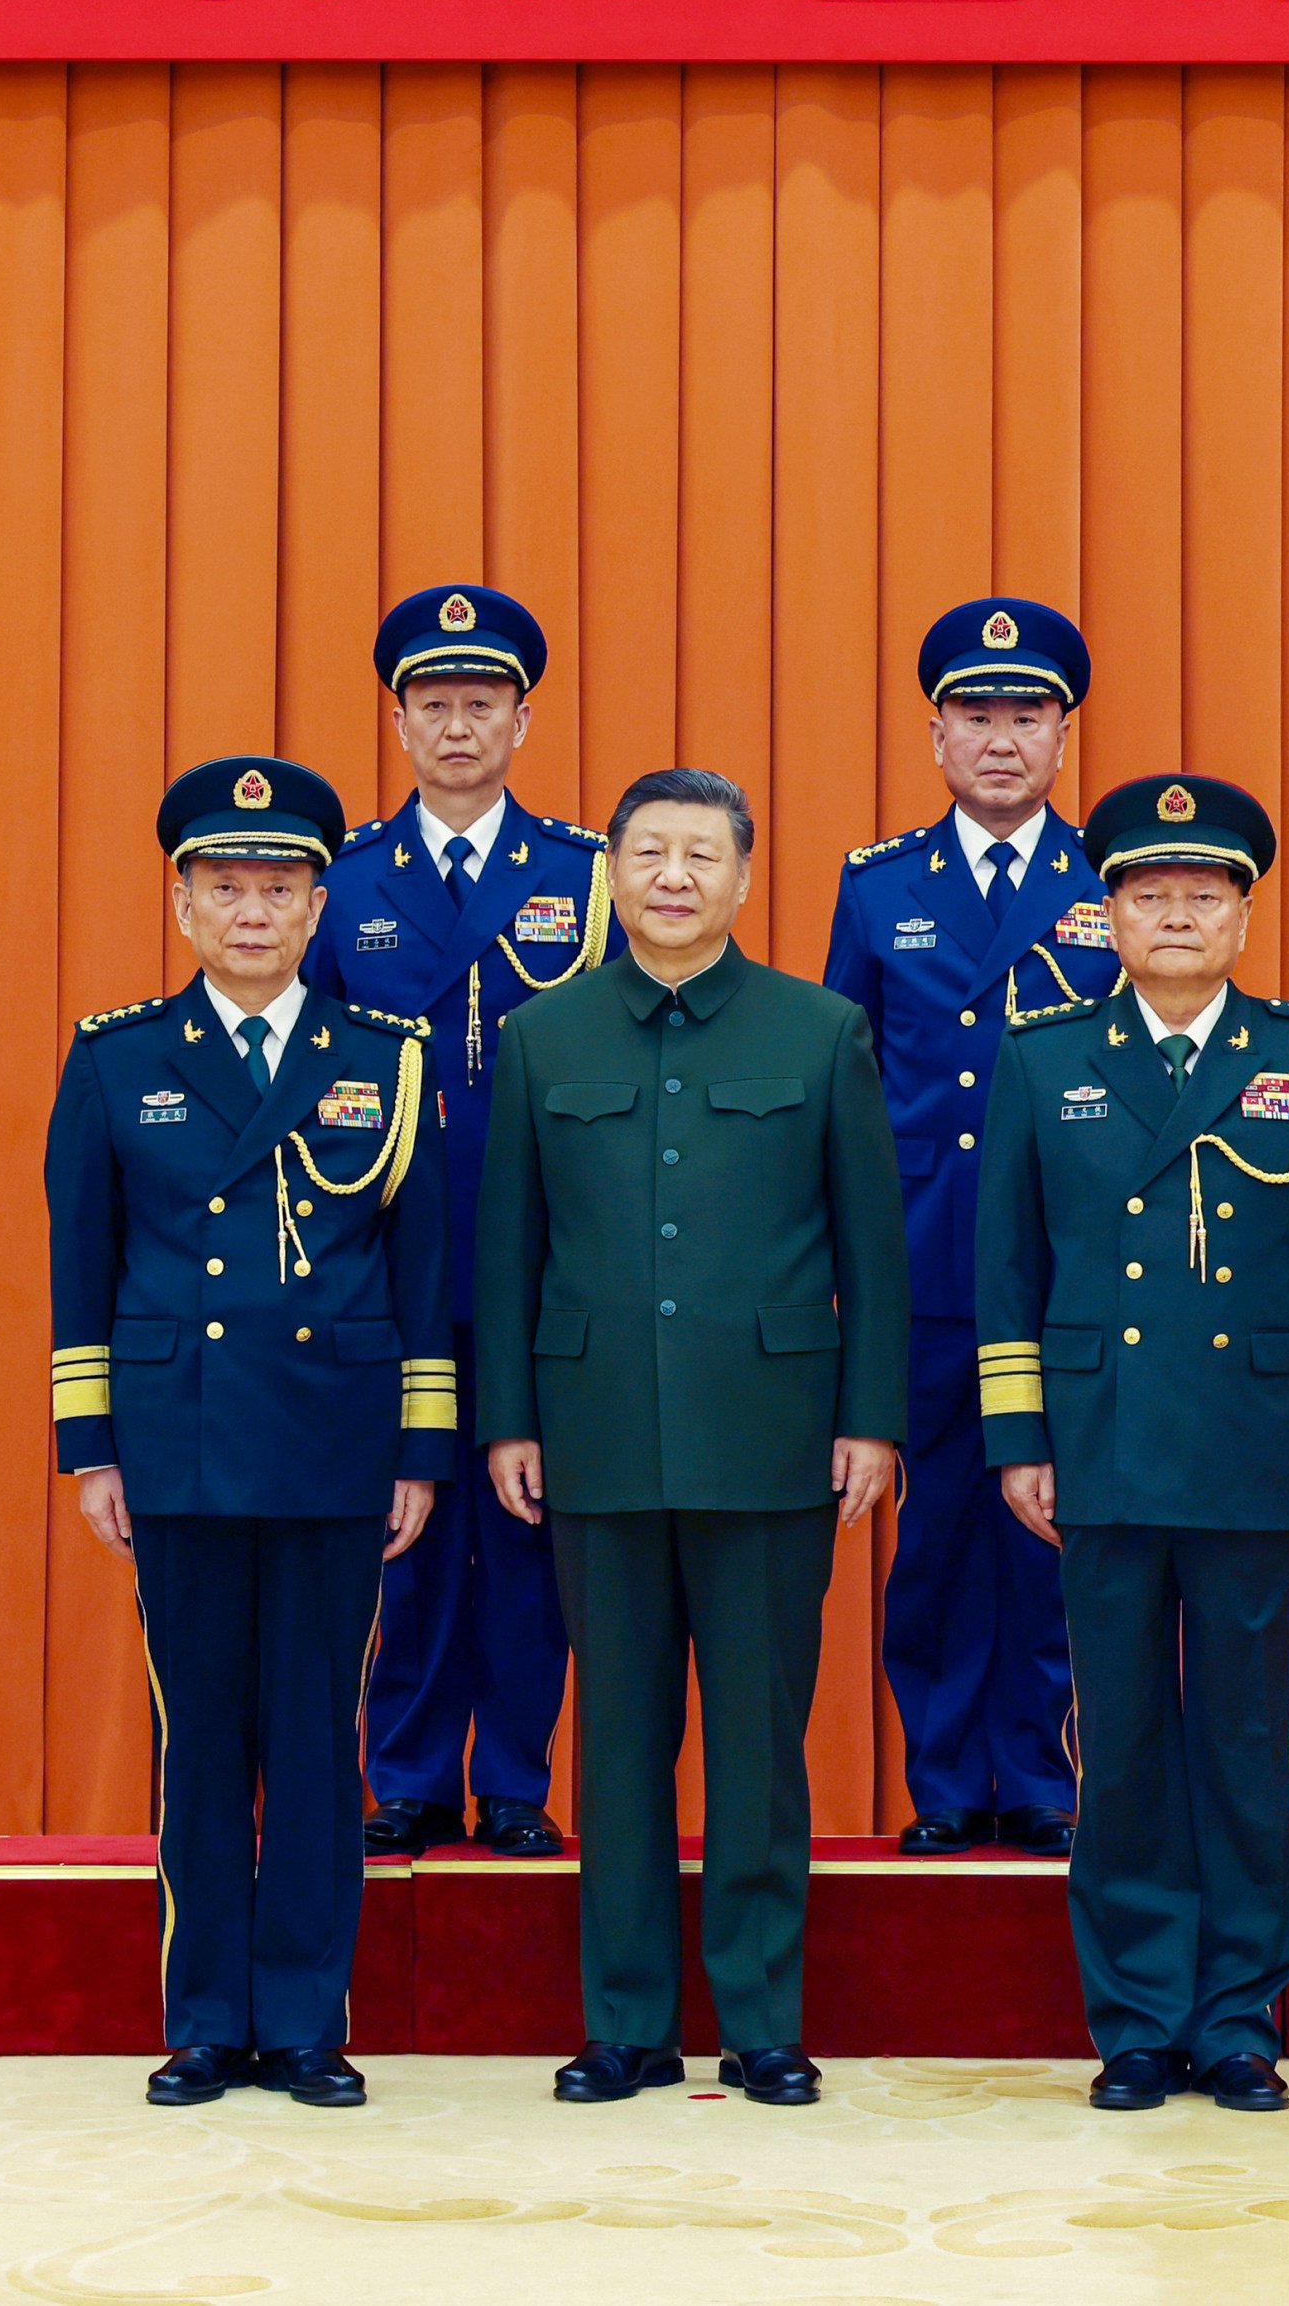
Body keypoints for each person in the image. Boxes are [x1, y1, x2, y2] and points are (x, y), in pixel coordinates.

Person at [474, 768, 909, 2109]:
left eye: (700, 854)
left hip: (772, 1439)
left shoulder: (817, 1028)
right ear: (610, 870)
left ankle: (763, 2022)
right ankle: (627, 2024)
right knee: (614, 1743)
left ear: (741, 877)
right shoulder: (545, 1034)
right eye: (648, 851)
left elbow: (870, 1251)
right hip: (595, 1433)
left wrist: (872, 1421)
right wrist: (506, 1418)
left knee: (762, 1749)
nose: (674, 875)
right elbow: (508, 1248)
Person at [974, 773, 1289, 2115]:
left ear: (1243, 912)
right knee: (1128, 1735)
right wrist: (1018, 1431)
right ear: (1108, 913)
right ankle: (1141, 2015)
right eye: (1148, 893)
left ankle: (1242, 2013)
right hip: (1100, 1433)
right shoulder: (1044, 1055)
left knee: (1246, 1738)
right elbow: (1007, 1264)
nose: (1176, 914)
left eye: (1203, 893)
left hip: (1255, 1436)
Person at [47, 756, 448, 2111]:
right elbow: (82, 1261)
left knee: (317, 1739)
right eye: (228, 886)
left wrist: (421, 1447)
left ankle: (305, 2021)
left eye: (281, 886)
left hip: (336, 1444)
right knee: (202, 1735)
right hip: (184, 1441)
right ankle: (206, 2017)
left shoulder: (382, 1060)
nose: (256, 911)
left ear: (321, 901)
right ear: (183, 903)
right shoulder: (117, 1058)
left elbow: (422, 1271)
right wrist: (91, 1442)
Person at [308, 583, 610, 1863]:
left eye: (480, 703)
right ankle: (413, 1774)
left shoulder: (585, 874)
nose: (456, 725)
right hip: (390, 1253)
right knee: (408, 1525)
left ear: (522, 720)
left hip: (544, 1257)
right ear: (397, 721)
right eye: (432, 704)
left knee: (529, 1527)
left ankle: (518, 1779)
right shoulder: (348, 879)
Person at [824, 597, 1103, 1860]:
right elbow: (845, 1080)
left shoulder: (1112, 880)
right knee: (935, 1533)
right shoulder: (880, 887)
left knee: (1050, 1531)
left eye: (1026, 717)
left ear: (1062, 736)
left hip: (1071, 1267)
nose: (1001, 740)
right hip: (924, 1260)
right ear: (935, 734)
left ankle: (1038, 1777)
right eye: (976, 716)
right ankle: (943, 1781)